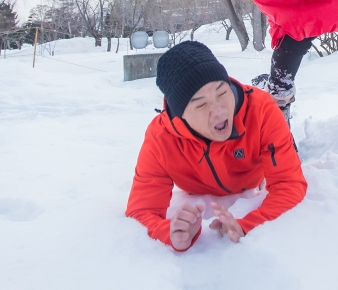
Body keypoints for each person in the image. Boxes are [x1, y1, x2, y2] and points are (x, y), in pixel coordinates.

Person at [125, 41, 307, 252]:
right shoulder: (161, 137)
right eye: (201, 105)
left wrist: (246, 225)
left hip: (252, 183)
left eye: (222, 93)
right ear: (180, 114)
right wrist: (170, 232)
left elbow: (289, 183)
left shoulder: (261, 111)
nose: (219, 111)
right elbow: (141, 210)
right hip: (194, 191)